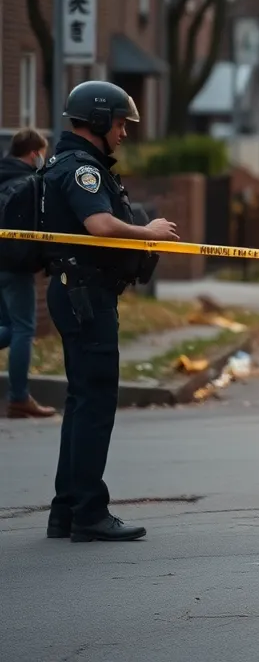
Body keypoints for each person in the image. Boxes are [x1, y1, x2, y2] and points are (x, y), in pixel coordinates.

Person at [42, 81, 179, 543]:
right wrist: (148, 231)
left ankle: (66, 510)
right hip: (86, 296)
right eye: (120, 123)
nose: (123, 133)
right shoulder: (83, 169)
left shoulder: (64, 162)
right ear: (98, 122)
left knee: (81, 403)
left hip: (73, 291)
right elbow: (99, 225)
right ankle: (89, 512)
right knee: (96, 403)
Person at [0, 129, 56, 419]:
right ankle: (19, 398)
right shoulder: (29, 183)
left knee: (7, 328)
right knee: (23, 329)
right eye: (42, 154)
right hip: (14, 265)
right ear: (35, 153)